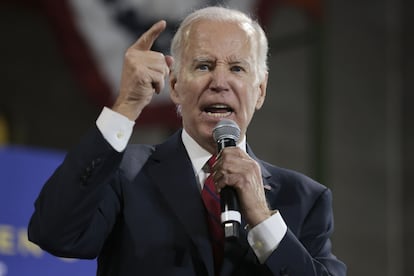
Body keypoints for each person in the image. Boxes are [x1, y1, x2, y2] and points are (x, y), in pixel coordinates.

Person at [28, 6, 346, 276]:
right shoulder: (125, 174)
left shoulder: (305, 200)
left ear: (259, 90)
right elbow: (55, 233)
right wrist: (125, 106)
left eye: (236, 68)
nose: (219, 82)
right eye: (203, 66)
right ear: (176, 86)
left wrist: (263, 219)